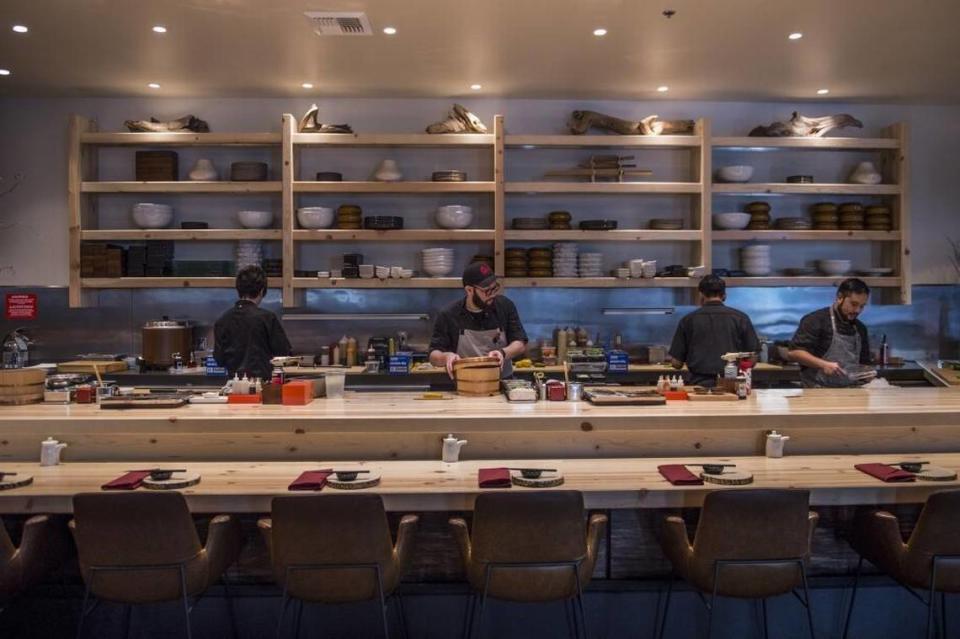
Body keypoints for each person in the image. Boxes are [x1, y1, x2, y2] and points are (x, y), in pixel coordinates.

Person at [429, 262, 527, 378]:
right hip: (464, 384)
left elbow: (520, 343)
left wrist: (502, 353)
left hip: (501, 383)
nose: (493, 294)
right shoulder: (448, 315)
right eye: (487, 290)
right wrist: (446, 357)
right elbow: (433, 355)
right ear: (469, 290)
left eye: (494, 288)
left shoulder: (505, 306)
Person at [668, 274, 760, 387]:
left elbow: (676, 363)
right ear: (724, 295)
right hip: (732, 384)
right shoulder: (741, 318)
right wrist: (740, 370)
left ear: (701, 294)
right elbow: (753, 357)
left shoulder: (688, 320)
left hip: (699, 386)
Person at [788, 278, 872, 387]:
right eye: (853, 304)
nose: (857, 310)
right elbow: (794, 353)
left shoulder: (860, 328)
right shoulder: (815, 320)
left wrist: (868, 373)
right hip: (817, 392)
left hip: (851, 393)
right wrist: (823, 364)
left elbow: (863, 363)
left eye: (862, 306)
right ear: (839, 297)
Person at [214, 265, 292, 380]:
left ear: (238, 289)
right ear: (261, 291)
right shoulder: (267, 318)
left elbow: (219, 360)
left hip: (234, 387)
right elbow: (284, 353)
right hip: (263, 387)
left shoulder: (222, 320)